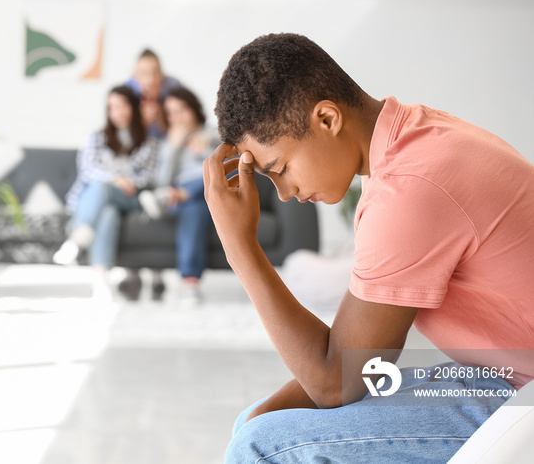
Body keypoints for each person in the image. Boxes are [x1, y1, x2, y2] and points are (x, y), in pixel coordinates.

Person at [205, 33, 534, 463]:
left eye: (280, 169)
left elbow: (333, 381)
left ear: (326, 118)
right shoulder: (413, 142)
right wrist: (265, 413)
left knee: (260, 445)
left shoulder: (410, 190)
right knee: (254, 422)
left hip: (519, 391)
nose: (284, 193)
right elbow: (347, 350)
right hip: (500, 375)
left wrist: (239, 247)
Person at [53, 85, 157, 298]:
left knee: (103, 189)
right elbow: (88, 169)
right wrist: (115, 179)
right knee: (107, 210)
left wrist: (128, 182)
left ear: (133, 108)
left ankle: (78, 239)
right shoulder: (97, 137)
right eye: (111, 108)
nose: (116, 112)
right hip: (102, 197)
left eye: (121, 106)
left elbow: (147, 176)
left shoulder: (149, 142)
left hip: (130, 198)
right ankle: (101, 281)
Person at [137, 87, 215, 302]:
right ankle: (190, 283)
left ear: (194, 109)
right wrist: (173, 148)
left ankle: (173, 195)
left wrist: (207, 144)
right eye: (171, 112)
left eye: (182, 110)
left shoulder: (215, 134)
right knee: (194, 206)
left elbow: (230, 169)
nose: (177, 117)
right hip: (186, 202)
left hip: (210, 190)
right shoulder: (166, 143)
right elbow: (161, 181)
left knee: (209, 179)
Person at [124, 49, 181, 139]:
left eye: (155, 72)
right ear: (135, 75)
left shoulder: (174, 87)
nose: (151, 80)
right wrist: (139, 123)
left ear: (162, 74)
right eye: (144, 73)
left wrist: (163, 116)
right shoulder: (127, 91)